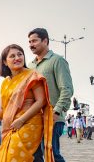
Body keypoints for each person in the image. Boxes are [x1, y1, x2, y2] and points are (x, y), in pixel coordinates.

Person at [0, 44, 55, 162]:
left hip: (29, 123)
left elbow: (41, 101)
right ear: (5, 62)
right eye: (12, 56)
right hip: (11, 126)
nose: (17, 58)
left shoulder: (32, 75)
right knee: (7, 157)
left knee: (15, 156)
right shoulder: (5, 83)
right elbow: (3, 109)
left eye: (20, 54)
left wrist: (21, 120)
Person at [28, 28, 74, 162]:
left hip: (52, 117)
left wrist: (57, 112)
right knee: (35, 156)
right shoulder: (30, 66)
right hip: (35, 119)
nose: (31, 44)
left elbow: (67, 89)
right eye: (29, 41)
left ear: (45, 41)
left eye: (35, 41)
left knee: (52, 154)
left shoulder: (57, 61)